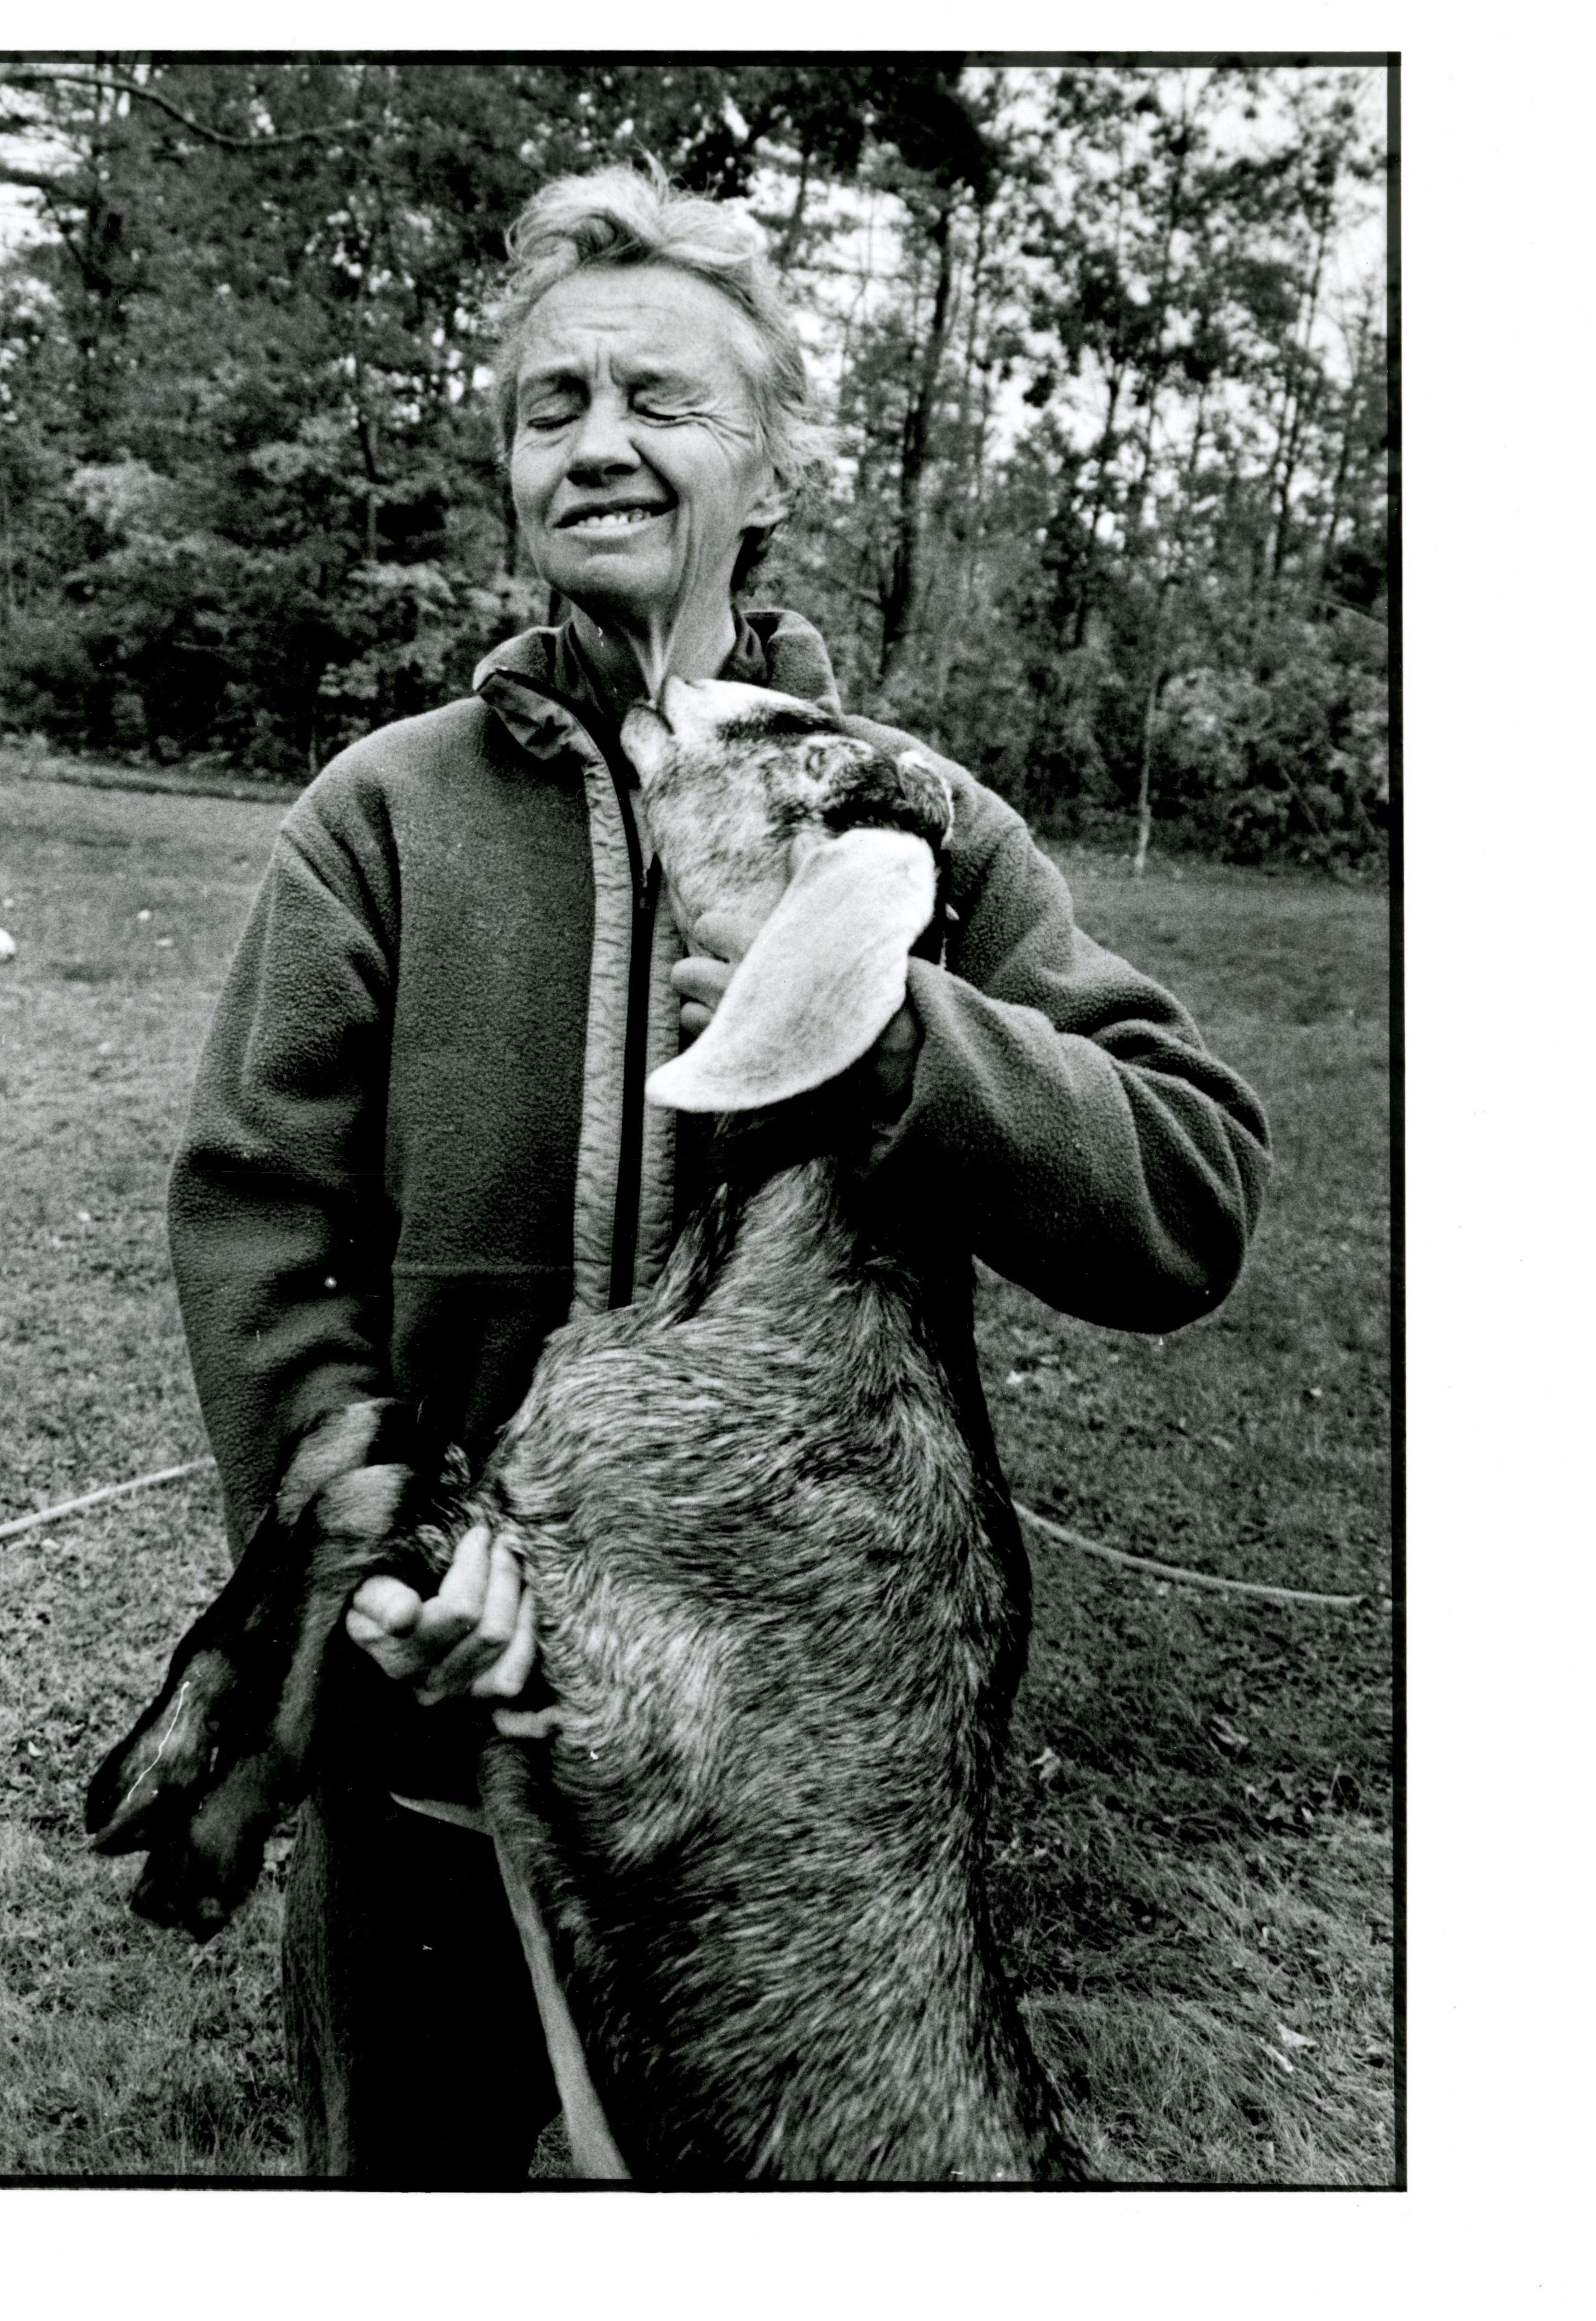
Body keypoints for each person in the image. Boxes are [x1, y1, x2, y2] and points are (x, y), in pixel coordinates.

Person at [166, 165, 1272, 2184]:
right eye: (552, 405)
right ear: (512, 466)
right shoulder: (381, 817)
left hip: (769, 1813)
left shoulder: (900, 812)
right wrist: (381, 1542)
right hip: (430, 1736)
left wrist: (891, 1037)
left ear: (769, 467)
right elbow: (264, 1225)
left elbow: (1190, 1189)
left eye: (663, 400)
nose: (598, 442)